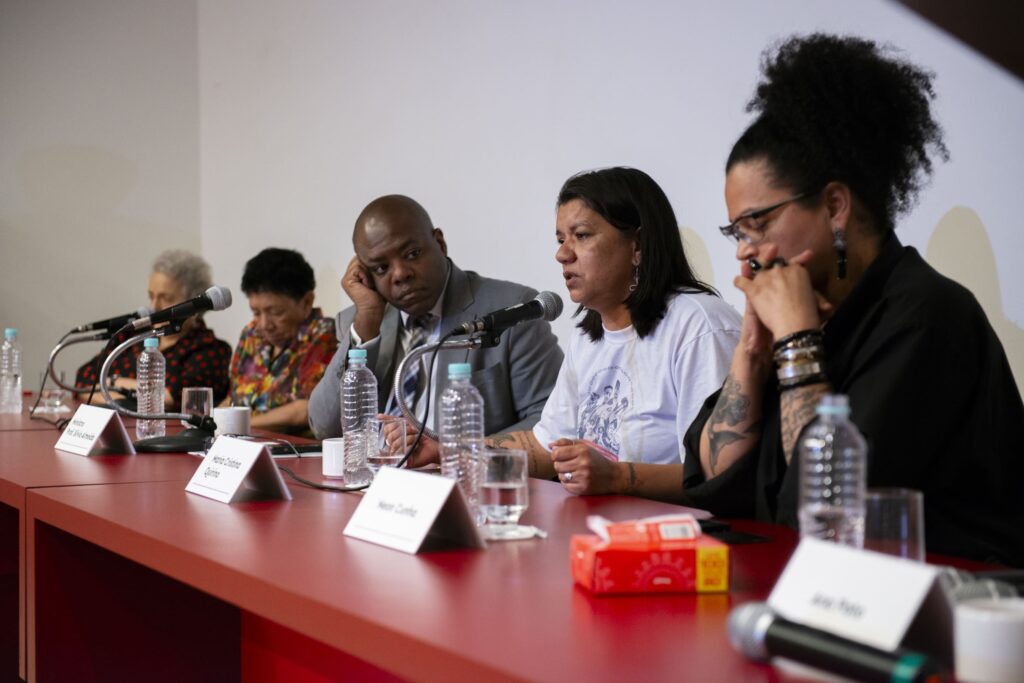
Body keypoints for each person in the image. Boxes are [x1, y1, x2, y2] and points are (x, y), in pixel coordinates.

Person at [680, 34, 1024, 566]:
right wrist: (752, 349)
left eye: (758, 224)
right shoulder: (801, 314)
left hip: (950, 599)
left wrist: (797, 343)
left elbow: (830, 509)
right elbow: (715, 476)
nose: (746, 251)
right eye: (737, 233)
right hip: (820, 586)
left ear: (835, 206)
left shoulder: (926, 316)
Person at [476, 167, 741, 502]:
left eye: (581, 235)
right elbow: (546, 447)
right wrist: (451, 451)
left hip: (680, 528)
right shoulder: (588, 338)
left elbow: (718, 475)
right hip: (601, 525)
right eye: (560, 240)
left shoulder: (700, 326)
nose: (562, 254)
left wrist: (617, 477)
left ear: (637, 245)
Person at [308, 194, 564, 439]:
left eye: (412, 254)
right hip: (377, 468)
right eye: (381, 268)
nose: (400, 274)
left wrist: (454, 450)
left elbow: (549, 423)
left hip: (461, 468)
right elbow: (325, 428)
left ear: (440, 244)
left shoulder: (513, 310)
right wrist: (368, 320)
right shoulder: (362, 321)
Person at [75, 249, 232, 409]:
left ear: (193, 303)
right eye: (151, 296)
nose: (154, 306)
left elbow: (171, 398)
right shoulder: (132, 336)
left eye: (166, 298)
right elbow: (83, 380)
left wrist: (110, 383)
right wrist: (123, 399)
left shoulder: (211, 349)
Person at [226, 248, 337, 433]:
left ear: (306, 302)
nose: (264, 325)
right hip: (241, 440)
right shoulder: (251, 334)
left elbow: (305, 410)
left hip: (291, 446)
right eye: (256, 312)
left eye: (276, 313)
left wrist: (240, 426)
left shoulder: (325, 336)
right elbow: (233, 398)